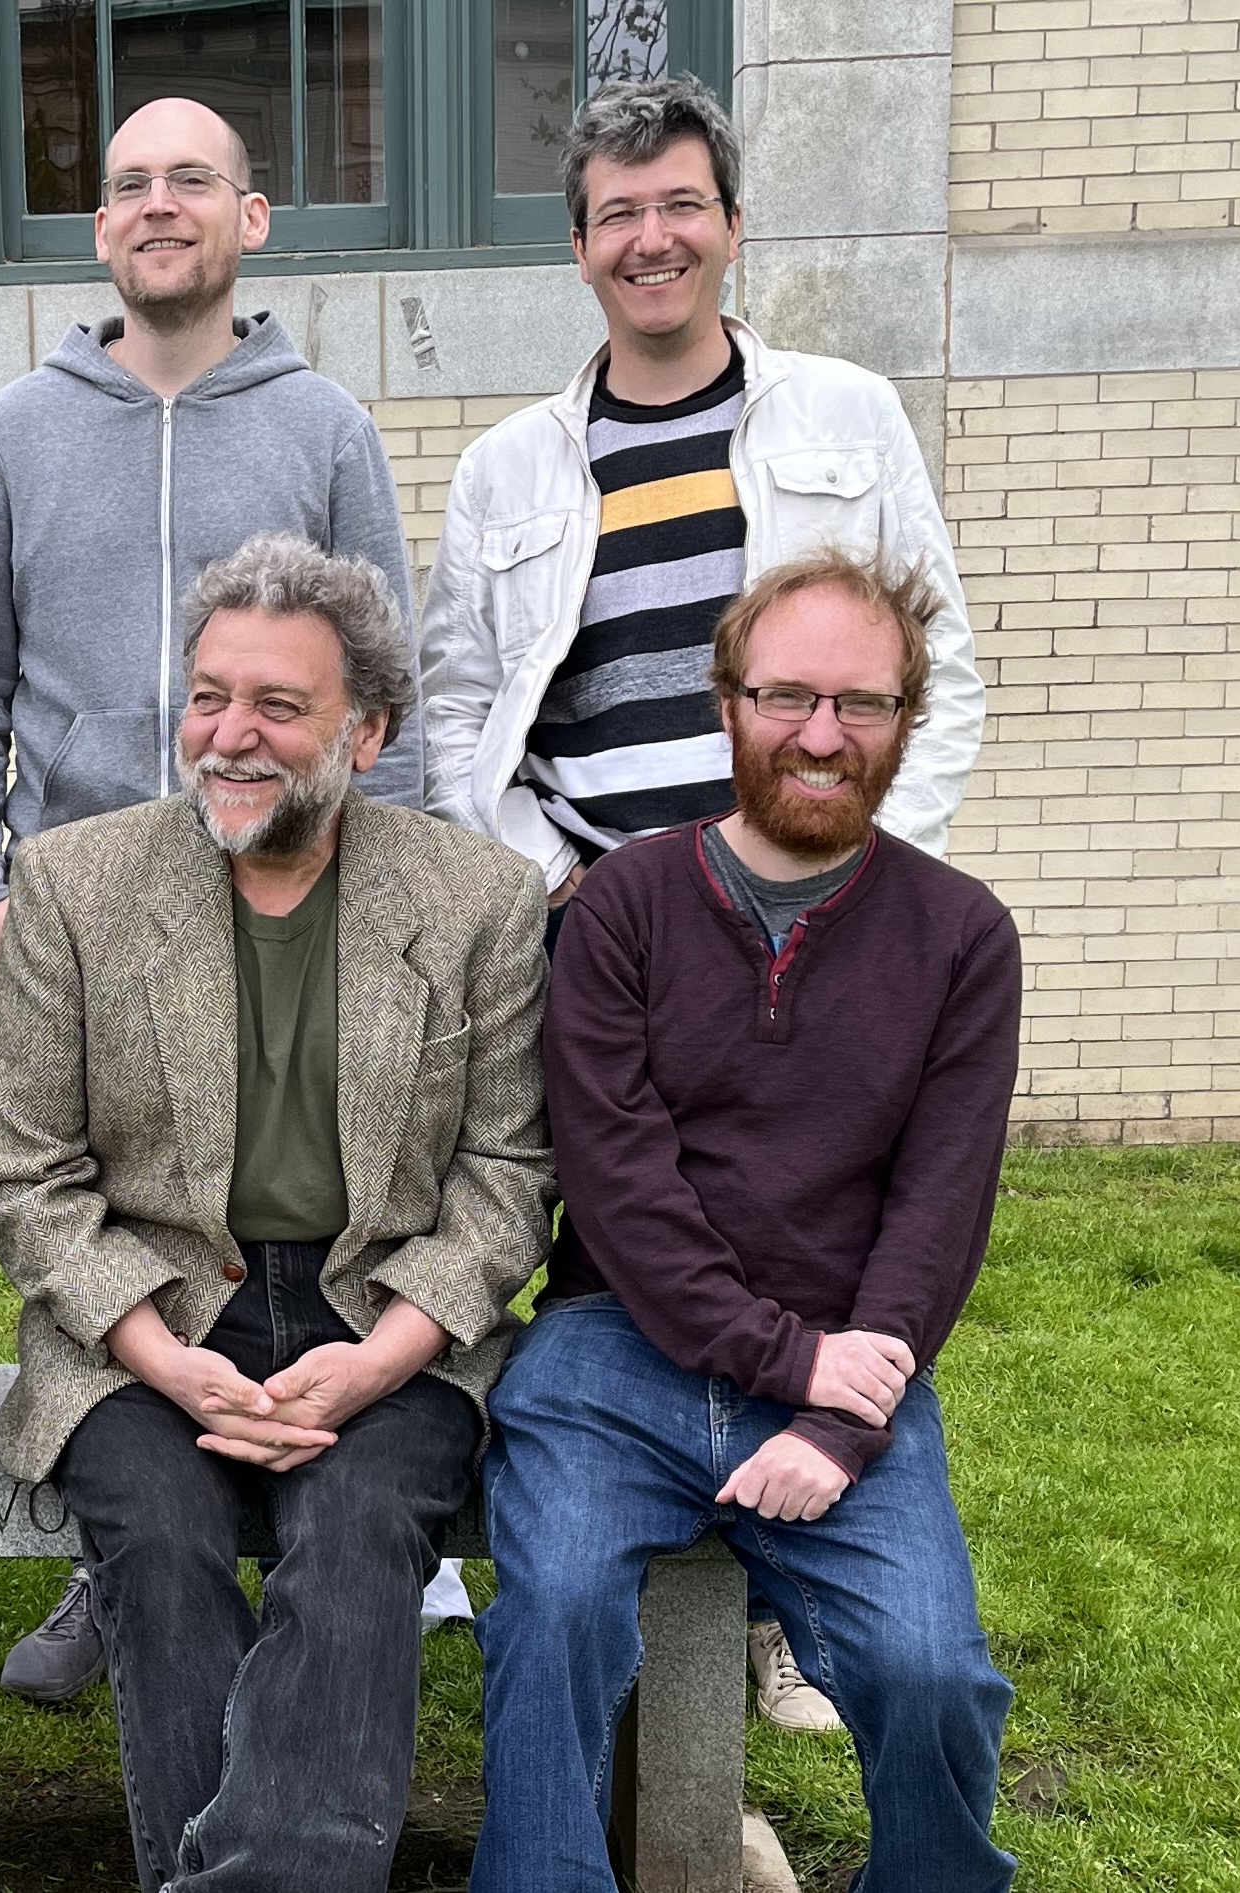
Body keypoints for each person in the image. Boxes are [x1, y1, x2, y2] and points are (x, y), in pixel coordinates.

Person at [417, 73, 984, 1721]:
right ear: (578, 249)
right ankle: (639, 1536)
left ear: (730, 228)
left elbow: (934, 671)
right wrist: (569, 888)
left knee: (815, 1201)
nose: (649, 239)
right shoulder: (511, 468)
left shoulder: (843, 418)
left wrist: (857, 874)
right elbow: (463, 712)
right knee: (618, 1228)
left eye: (679, 206)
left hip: (813, 905)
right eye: (615, 215)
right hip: (607, 926)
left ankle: (781, 1584)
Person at [0, 95, 441, 1698]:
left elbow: (387, 703)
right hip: (83, 940)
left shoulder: (323, 430)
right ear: (99, 232)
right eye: (129, 184)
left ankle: (310, 1550)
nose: (158, 206)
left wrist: (384, 934)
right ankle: (127, 1567)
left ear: (250, 218)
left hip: (291, 925)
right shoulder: (17, 430)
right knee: (107, 1238)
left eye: (190, 182)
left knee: (282, 1238)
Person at [0, 533, 554, 1892]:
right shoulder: (75, 884)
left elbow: (506, 1173)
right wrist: (165, 1358)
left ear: (369, 726)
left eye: (277, 707)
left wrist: (381, 1358)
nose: (228, 735)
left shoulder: (475, 900)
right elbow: (21, 1169)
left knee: (355, 1540)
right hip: (145, 1304)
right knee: (158, 1542)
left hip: (382, 1306)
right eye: (206, 694)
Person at [473, 549, 1023, 1893]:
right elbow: (618, 1185)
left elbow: (937, 1208)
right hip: (614, 1354)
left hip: (852, 1361)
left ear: (905, 721)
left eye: (862, 703)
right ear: (724, 703)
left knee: (928, 1669)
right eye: (786, 695)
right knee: (548, 1621)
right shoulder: (620, 908)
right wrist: (785, 1365)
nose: (821, 735)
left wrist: (836, 1418)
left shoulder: (960, 936)